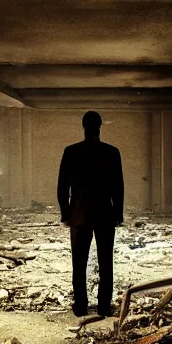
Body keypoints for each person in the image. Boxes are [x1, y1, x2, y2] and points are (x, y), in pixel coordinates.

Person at [57, 111, 124, 317]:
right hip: (105, 215)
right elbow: (118, 187)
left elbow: (62, 186)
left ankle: (81, 306)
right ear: (100, 126)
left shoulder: (71, 151)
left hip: (79, 215)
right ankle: (104, 306)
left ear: (83, 126)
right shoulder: (112, 152)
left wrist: (65, 213)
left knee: (79, 263)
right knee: (105, 262)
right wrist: (118, 213)